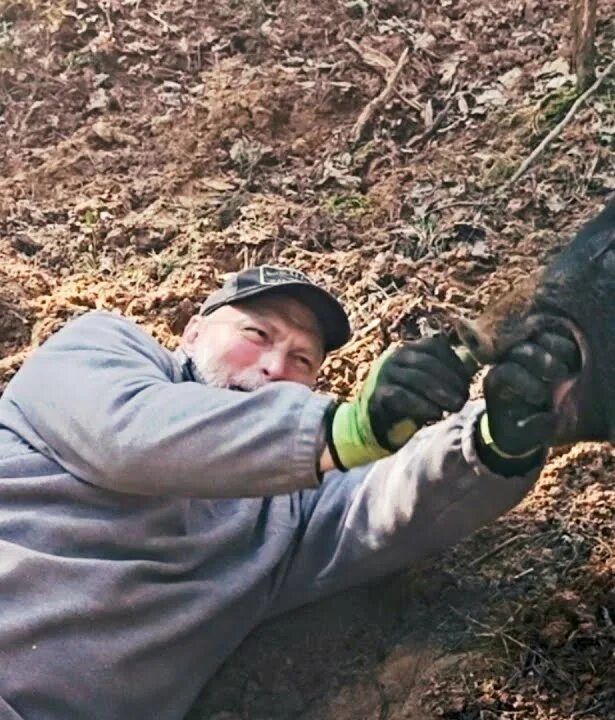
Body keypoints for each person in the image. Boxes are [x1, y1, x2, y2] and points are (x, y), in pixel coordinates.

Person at [0, 264, 579, 720]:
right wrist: (345, 428)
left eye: (303, 359)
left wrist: (496, 438)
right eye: (257, 334)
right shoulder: (101, 352)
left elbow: (386, 501)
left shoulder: (283, 513)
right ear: (193, 330)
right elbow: (127, 434)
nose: (276, 365)